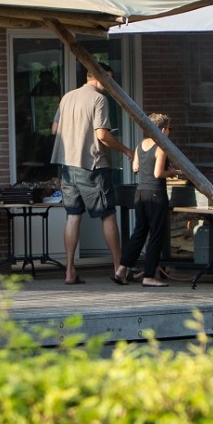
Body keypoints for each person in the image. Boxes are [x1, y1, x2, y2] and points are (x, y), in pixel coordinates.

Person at [50, 65, 131, 285]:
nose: (110, 84)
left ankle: (69, 272)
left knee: (73, 215)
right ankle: (119, 269)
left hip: (67, 166)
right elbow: (102, 135)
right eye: (108, 79)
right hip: (92, 165)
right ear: (95, 77)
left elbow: (55, 129)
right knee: (108, 214)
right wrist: (126, 151)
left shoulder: (67, 97)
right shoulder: (99, 99)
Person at [118, 113, 176, 287]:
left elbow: (135, 167)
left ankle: (121, 270)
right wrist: (171, 173)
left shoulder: (141, 144)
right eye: (169, 129)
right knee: (156, 235)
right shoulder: (161, 147)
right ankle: (149, 276)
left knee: (139, 233)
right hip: (156, 194)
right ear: (162, 130)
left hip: (140, 193)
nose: (169, 132)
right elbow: (158, 174)